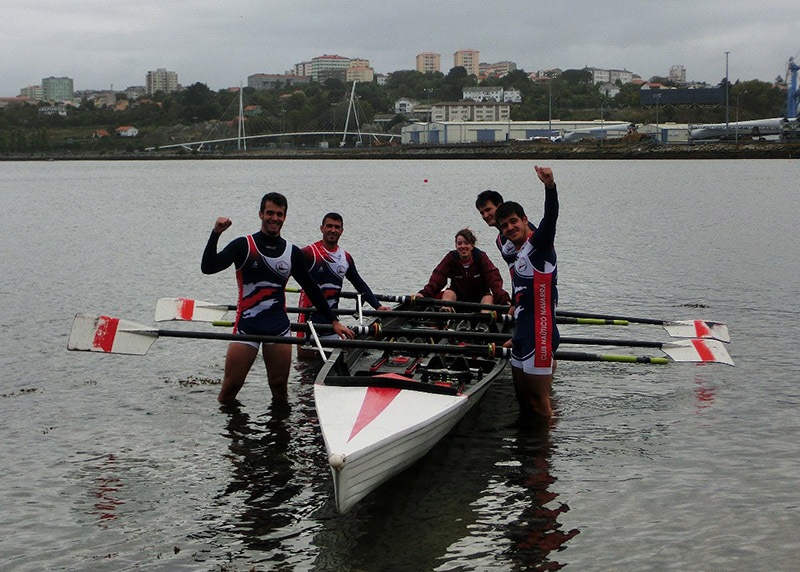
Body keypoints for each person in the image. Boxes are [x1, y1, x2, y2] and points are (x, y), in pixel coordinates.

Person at [201, 192, 354, 403]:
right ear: (261, 214)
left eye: (279, 214)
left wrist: (333, 321)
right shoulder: (243, 246)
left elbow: (311, 288)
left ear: (285, 217)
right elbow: (208, 268)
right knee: (229, 390)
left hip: (279, 328)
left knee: (280, 391)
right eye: (270, 213)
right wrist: (216, 233)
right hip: (246, 327)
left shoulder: (292, 252)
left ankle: (280, 434)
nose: (274, 218)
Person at [494, 166, 559, 418]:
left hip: (540, 335)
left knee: (540, 407)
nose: (510, 228)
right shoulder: (518, 252)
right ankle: (528, 456)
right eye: (504, 226)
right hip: (522, 335)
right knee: (524, 405)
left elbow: (550, 218)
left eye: (514, 222)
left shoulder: (539, 246)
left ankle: (546, 455)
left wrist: (550, 187)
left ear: (524, 220)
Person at [296, 212, 390, 357]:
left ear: (341, 231)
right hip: (308, 319)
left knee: (338, 356)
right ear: (321, 228)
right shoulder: (309, 253)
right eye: (329, 226)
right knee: (305, 358)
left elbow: (360, 284)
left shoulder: (345, 258)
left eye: (336, 227)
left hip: (331, 321)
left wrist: (377, 306)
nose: (332, 230)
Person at [416, 228, 511, 307]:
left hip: (480, 298)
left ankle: (483, 322)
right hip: (457, 297)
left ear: (472, 245)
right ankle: (445, 318)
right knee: (447, 293)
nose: (463, 246)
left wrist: (504, 299)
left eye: (466, 243)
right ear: (456, 246)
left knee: (489, 298)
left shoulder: (481, 258)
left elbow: (493, 278)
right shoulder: (451, 258)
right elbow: (438, 277)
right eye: (459, 243)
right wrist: (423, 294)